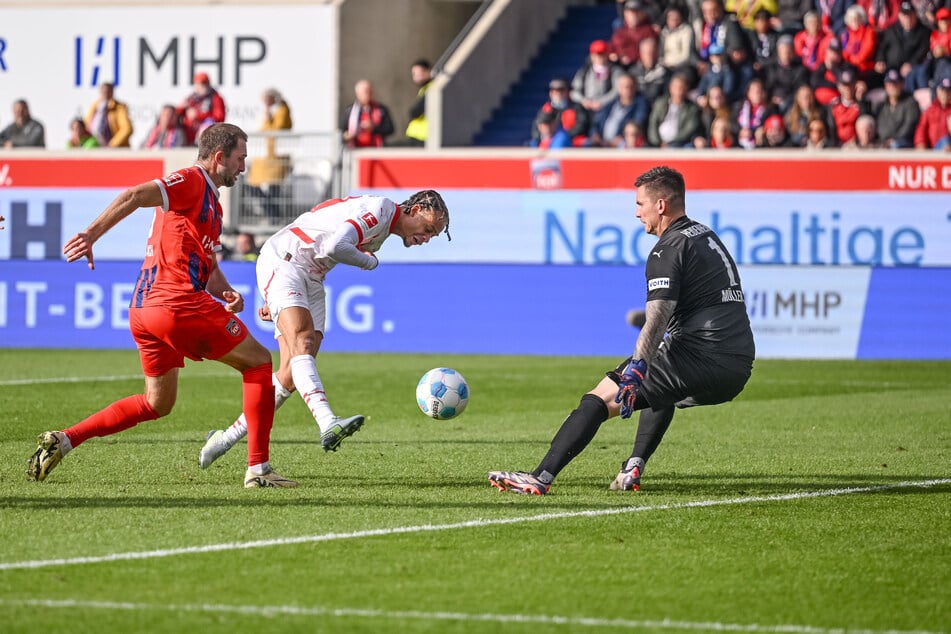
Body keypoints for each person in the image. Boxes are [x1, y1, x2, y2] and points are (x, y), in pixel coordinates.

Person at [26, 123, 295, 488]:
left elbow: (207, 263)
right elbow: (135, 194)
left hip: (144, 310)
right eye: (240, 158)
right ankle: (259, 470)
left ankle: (65, 439)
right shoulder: (191, 180)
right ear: (219, 158)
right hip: (176, 304)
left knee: (157, 403)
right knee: (260, 362)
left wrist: (226, 290)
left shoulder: (211, 204)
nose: (243, 167)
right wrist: (91, 234)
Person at [488, 166, 754, 495]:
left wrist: (637, 367)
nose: (636, 212)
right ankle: (633, 467)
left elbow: (659, 316)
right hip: (738, 365)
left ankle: (540, 476)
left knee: (599, 398)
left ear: (661, 205)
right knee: (662, 388)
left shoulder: (666, 249)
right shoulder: (704, 235)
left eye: (640, 203)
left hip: (702, 355)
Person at [198, 190, 452, 469]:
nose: (426, 238)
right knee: (302, 343)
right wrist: (369, 262)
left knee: (290, 374)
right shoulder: (380, 209)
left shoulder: (383, 228)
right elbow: (333, 246)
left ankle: (223, 440)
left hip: (312, 276)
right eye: (428, 229)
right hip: (286, 260)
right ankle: (328, 423)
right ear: (414, 210)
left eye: (433, 236)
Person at [589, 73, 650, 147]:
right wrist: (595, 135)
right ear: (619, 88)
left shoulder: (641, 104)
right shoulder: (611, 104)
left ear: (635, 87)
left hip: (622, 142)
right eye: (624, 86)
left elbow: (637, 124)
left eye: (630, 86)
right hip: (602, 141)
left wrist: (621, 137)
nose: (628, 89)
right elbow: (597, 123)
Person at [532, 78, 591, 147]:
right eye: (553, 91)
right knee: (533, 143)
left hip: (572, 140)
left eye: (561, 90)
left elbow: (581, 126)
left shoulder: (577, 108)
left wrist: (563, 135)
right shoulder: (545, 108)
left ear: (567, 92)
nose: (557, 93)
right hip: (548, 140)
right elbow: (536, 127)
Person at [570, 40, 625, 114]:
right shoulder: (584, 71)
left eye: (602, 54)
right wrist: (584, 101)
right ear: (591, 56)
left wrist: (601, 102)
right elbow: (574, 91)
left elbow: (617, 90)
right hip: (586, 108)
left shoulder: (615, 71)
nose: (599, 57)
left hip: (607, 108)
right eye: (597, 54)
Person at [340, 79, 395, 148]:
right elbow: (342, 132)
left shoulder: (381, 110)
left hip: (377, 150)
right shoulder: (350, 111)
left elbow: (390, 129)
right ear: (358, 93)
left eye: (370, 91)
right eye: (365, 92)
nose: (368, 94)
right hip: (356, 151)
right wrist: (347, 136)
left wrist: (373, 128)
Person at [875, 67, 921, 147]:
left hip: (904, 143)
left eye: (895, 83)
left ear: (902, 84)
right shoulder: (882, 105)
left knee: (895, 145)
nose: (892, 87)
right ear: (885, 86)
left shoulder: (910, 103)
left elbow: (909, 126)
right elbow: (880, 126)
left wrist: (894, 139)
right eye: (889, 84)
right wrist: (886, 139)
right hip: (885, 141)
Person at [178, 72, 227, 145]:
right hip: (188, 134)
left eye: (204, 83)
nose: (201, 86)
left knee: (208, 125)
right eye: (198, 84)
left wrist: (197, 115)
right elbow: (176, 115)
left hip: (204, 137)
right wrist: (180, 108)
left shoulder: (216, 98)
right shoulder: (191, 98)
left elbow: (219, 118)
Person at [84, 82, 133, 147]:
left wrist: (112, 144)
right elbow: (87, 124)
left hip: (114, 149)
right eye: (103, 92)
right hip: (95, 146)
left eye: (108, 92)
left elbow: (127, 129)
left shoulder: (119, 107)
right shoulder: (95, 105)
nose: (105, 94)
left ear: (112, 92)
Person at [914, 76, 951, 147]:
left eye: (948, 91)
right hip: (934, 148)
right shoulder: (930, 110)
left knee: (946, 141)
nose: (945, 94)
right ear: (938, 91)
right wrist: (920, 143)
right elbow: (921, 128)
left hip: (948, 147)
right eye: (942, 90)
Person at [405, 59, 433, 147]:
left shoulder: (432, 89)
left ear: (428, 71)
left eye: (418, 74)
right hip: (419, 135)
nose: (415, 77)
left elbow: (416, 111)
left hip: (422, 136)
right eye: (414, 74)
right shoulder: (424, 89)